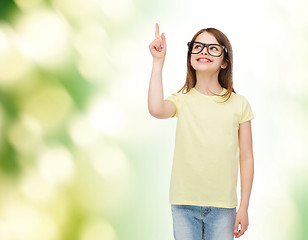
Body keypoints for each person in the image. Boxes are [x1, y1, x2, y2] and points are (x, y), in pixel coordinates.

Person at [148, 23, 254, 240]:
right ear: (190, 58)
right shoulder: (182, 101)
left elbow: (247, 158)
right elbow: (156, 109)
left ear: (225, 62)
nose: (204, 51)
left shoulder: (239, 104)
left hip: (224, 207)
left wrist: (243, 207)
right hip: (184, 205)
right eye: (197, 47)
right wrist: (158, 61)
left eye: (213, 48)